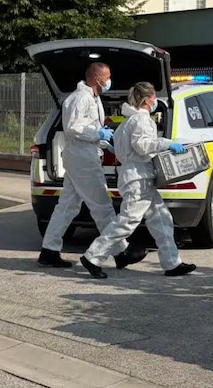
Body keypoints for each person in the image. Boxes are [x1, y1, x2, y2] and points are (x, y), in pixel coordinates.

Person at [79, 82, 197, 279]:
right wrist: (168, 144)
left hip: (138, 177)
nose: (156, 101)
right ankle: (93, 257)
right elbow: (142, 146)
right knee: (127, 222)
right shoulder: (142, 121)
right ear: (149, 99)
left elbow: (124, 149)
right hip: (138, 178)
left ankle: (171, 263)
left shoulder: (128, 122)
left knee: (162, 220)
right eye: (154, 97)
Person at [38, 62, 146, 270]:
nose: (109, 80)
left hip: (83, 155)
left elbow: (90, 129)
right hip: (82, 158)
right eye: (108, 76)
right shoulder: (80, 99)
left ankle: (49, 251)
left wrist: (107, 143)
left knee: (67, 207)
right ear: (98, 79)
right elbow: (73, 129)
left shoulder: (92, 98)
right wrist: (98, 135)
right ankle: (120, 251)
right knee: (102, 205)